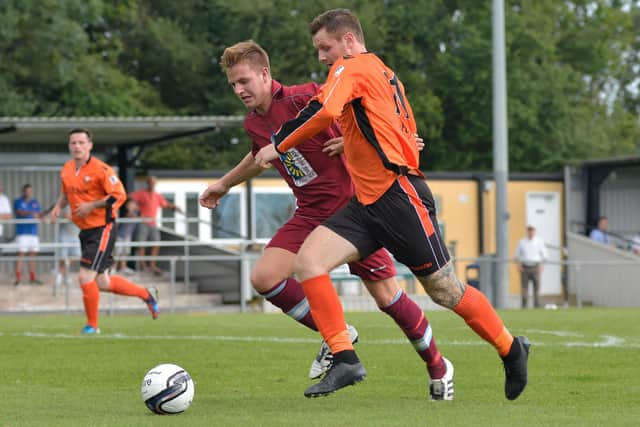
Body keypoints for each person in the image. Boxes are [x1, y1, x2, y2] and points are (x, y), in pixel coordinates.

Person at [254, 8, 530, 400]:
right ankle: (344, 357)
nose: (321, 57)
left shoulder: (350, 67)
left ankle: (510, 348)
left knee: (445, 291)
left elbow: (324, 109)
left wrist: (278, 144)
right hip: (366, 203)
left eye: (324, 47)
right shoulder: (384, 73)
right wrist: (350, 143)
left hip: (400, 199)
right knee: (308, 263)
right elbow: (398, 132)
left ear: (348, 41)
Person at [200, 40, 453, 400]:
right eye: (233, 85)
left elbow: (366, 108)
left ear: (265, 73)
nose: (239, 90)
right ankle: (338, 337)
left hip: (356, 212)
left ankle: (438, 366)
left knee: (388, 300)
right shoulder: (254, 123)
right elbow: (259, 157)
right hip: (309, 214)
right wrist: (223, 185)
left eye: (244, 81)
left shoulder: (306, 97)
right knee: (264, 277)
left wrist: (396, 139)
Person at [50, 128, 159, 334]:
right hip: (85, 230)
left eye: (82, 142)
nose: (77, 146)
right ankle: (147, 294)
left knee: (84, 277)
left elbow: (119, 196)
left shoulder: (102, 169)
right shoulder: (66, 169)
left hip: (103, 227)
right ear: (69, 146)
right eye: (73, 143)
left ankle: (92, 326)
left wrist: (92, 206)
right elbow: (66, 192)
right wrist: (57, 206)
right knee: (102, 282)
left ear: (90, 145)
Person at [130, 175, 182, 276]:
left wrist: (175, 207)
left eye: (153, 182)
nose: (151, 184)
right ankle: (143, 266)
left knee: (156, 243)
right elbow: (129, 198)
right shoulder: (141, 193)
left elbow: (166, 204)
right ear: (147, 183)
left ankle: (152, 265)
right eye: (150, 182)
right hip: (143, 223)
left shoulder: (157, 196)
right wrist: (133, 208)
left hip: (153, 223)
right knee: (141, 245)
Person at [13, 184, 43, 285]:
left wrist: (40, 216)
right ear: (23, 191)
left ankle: (32, 278)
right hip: (22, 233)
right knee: (20, 255)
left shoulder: (35, 202)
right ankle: (18, 279)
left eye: (30, 191)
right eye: (27, 191)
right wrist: (32, 213)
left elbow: (39, 214)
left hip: (33, 233)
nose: (28, 192)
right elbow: (20, 212)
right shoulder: (18, 201)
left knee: (33, 255)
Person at [514, 225, 548, 308]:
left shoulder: (539, 242)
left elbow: (545, 255)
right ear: (527, 231)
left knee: (536, 288)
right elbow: (517, 255)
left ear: (534, 231)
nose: (531, 232)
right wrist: (519, 265)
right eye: (529, 230)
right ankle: (524, 306)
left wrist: (542, 266)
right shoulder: (522, 242)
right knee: (524, 288)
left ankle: (536, 306)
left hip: (536, 266)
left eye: (532, 230)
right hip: (525, 267)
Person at [53, 205, 81, 291]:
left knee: (76, 255)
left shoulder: (82, 204)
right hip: (65, 235)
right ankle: (60, 277)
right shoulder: (68, 205)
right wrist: (78, 216)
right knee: (63, 257)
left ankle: (61, 273)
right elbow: (67, 216)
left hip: (75, 234)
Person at [115, 198, 139, 274]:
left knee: (125, 252)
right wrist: (130, 210)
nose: (133, 205)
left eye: (134, 204)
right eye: (131, 204)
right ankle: (114, 268)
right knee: (117, 252)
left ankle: (123, 267)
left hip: (128, 236)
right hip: (119, 235)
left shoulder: (137, 212)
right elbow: (129, 215)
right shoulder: (123, 211)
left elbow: (139, 217)